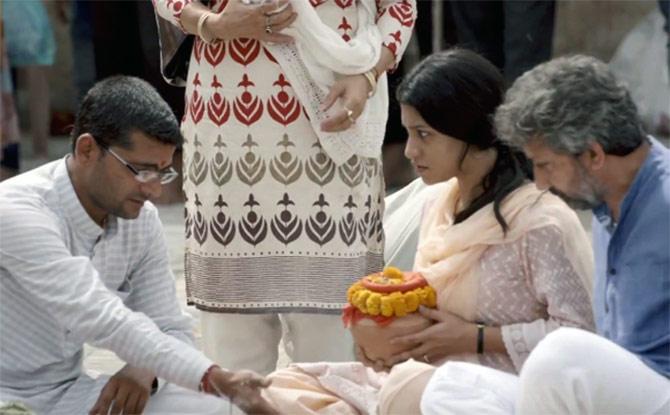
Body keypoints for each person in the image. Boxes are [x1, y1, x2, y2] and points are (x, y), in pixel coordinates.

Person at [255, 49, 595, 414]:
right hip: (422, 379)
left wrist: (477, 339)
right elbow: (426, 313)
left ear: (471, 131)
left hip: (500, 394)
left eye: (424, 135)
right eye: (408, 134)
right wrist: (382, 334)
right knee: (273, 392)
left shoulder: (539, 223)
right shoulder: (438, 204)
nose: (411, 151)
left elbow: (580, 340)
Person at [153, 0, 417, 374]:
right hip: (229, 124)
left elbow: (400, 6)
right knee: (233, 350)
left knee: (331, 346)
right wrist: (211, 23)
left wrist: (368, 75)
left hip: (334, 115)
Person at [0, 76, 277, 415]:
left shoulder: (139, 219)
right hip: (6, 395)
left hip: (71, 395)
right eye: (141, 171)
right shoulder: (16, 210)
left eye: (163, 173)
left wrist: (146, 369)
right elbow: (96, 314)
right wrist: (218, 379)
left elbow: (170, 326)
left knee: (218, 410)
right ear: (87, 150)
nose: (154, 190)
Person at [422, 54, 670, 415]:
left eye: (545, 165)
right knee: (451, 385)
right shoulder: (605, 200)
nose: (539, 183)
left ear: (593, 155)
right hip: (615, 391)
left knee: (560, 355)